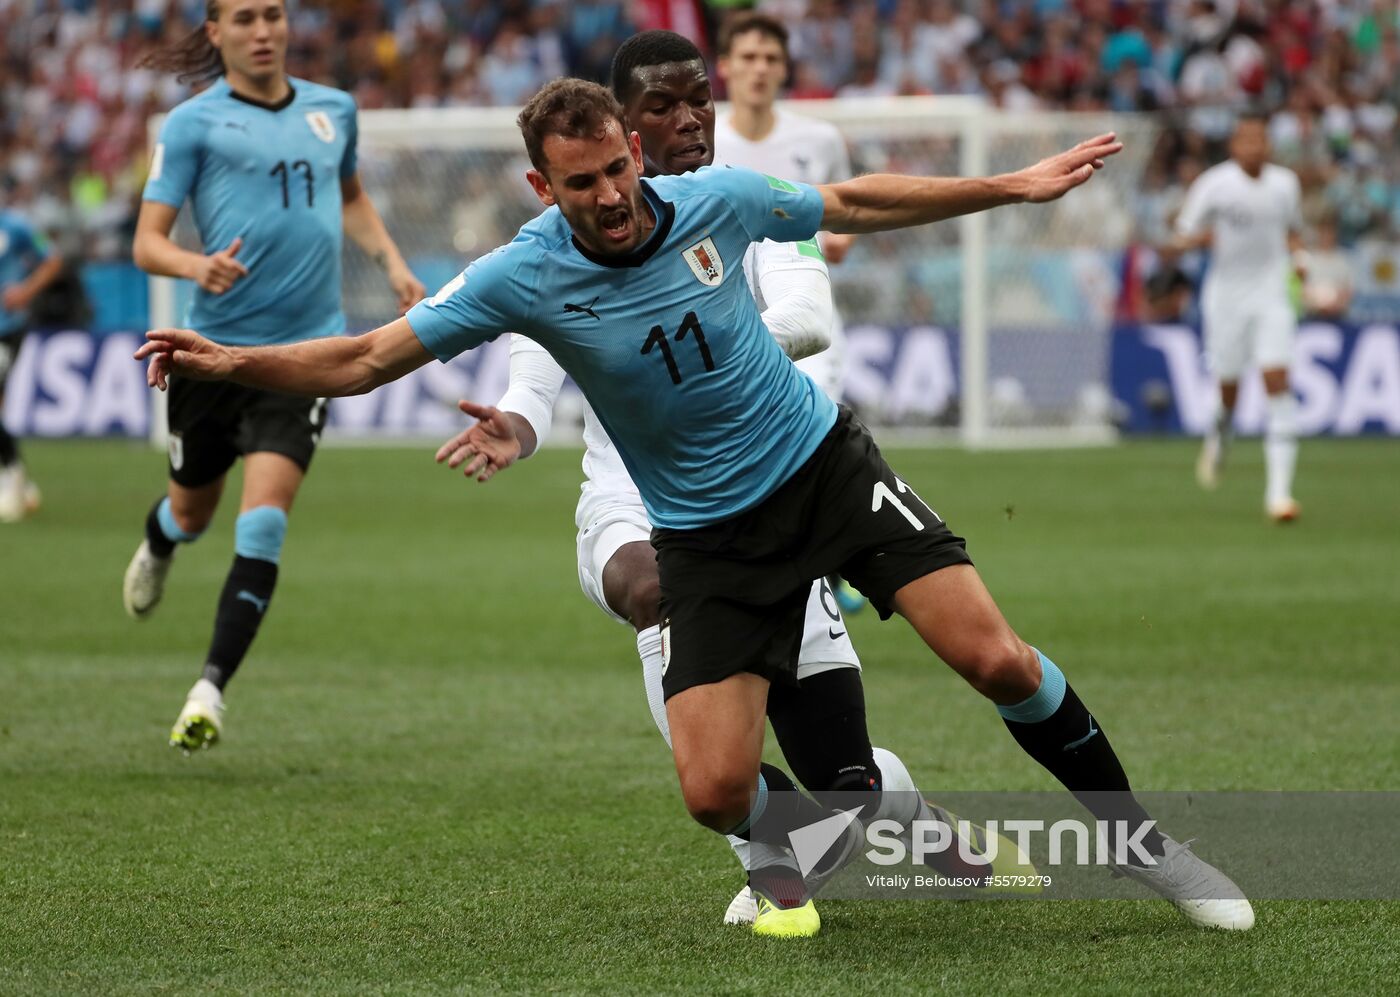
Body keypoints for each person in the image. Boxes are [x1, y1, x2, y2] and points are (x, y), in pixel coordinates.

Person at [136, 78, 1253, 937]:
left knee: (996, 659)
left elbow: (852, 203)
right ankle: (835, 829)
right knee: (715, 793)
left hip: (822, 470)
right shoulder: (522, 274)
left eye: (617, 169)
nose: (611, 196)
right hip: (708, 538)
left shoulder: (713, 198)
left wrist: (1010, 185)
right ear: (542, 188)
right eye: (581, 183)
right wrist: (230, 360)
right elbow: (365, 358)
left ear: (634, 153)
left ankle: (1147, 847)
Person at [435, 31, 992, 934]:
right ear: (624, 129)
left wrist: (697, 356)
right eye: (662, 107)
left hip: (772, 482)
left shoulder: (743, 202)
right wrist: (517, 427)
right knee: (647, 588)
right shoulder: (562, 250)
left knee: (845, 783)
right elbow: (533, 378)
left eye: (699, 99)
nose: (690, 119)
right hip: (633, 496)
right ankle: (765, 851)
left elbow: (809, 313)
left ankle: (897, 811)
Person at [124, 0, 425, 752]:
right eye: (244, 19)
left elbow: (351, 198)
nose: (262, 31)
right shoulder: (192, 123)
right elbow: (147, 243)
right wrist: (197, 265)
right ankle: (161, 540)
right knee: (192, 514)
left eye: (272, 15)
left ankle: (208, 692)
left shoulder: (334, 111)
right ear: (215, 32)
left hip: (305, 356)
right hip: (210, 353)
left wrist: (392, 262)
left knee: (263, 521)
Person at [714, 12, 867, 613]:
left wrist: (829, 239)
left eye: (770, 59)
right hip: (726, 317)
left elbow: (843, 219)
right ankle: (806, 563)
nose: (759, 69)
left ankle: (824, 562)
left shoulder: (819, 140)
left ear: (785, 70)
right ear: (724, 67)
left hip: (804, 314)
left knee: (812, 435)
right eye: (748, 57)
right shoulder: (702, 140)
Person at [1172, 113, 1304, 520]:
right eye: (1246, 140)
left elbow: (1293, 231)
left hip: (1272, 294)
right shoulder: (1215, 184)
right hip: (1226, 298)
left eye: (1260, 139)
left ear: (1268, 144)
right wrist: (1203, 238)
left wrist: (1301, 259)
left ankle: (1279, 495)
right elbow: (1181, 235)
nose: (1254, 147)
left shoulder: (1285, 184)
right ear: (1234, 146)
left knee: (1277, 381)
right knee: (1229, 389)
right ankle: (1219, 439)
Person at [0, 210, 63, 523]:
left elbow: (52, 260)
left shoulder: (15, 226)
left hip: (6, 329)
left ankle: (12, 477)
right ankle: (20, 482)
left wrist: (25, 291)